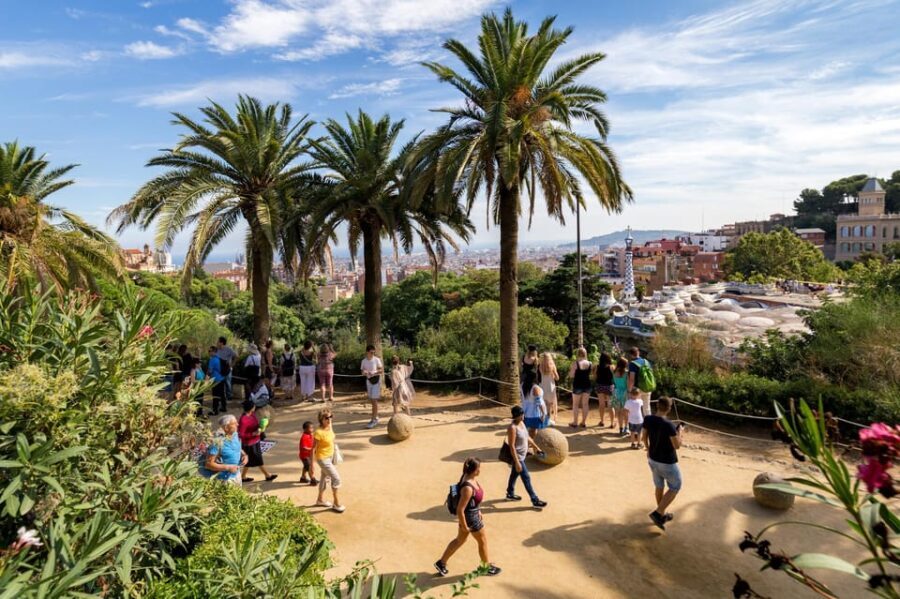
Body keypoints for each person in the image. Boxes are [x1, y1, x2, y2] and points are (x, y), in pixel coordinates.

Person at [434, 458, 501, 578]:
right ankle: (485, 567)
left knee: (460, 540)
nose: (480, 470)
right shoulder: (468, 488)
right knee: (482, 541)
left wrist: (478, 509)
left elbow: (473, 501)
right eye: (478, 468)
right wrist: (465, 526)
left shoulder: (467, 477)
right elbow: (460, 509)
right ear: (474, 470)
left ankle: (441, 563)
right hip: (471, 518)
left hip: (472, 515)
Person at [641, 396, 684, 530]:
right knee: (675, 486)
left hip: (652, 459)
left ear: (657, 406)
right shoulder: (669, 425)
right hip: (667, 461)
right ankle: (658, 513)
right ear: (669, 408)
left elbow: (644, 436)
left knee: (659, 485)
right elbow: (677, 446)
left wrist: (648, 448)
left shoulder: (648, 419)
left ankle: (661, 513)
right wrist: (680, 433)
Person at [506, 406, 548, 508]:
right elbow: (511, 446)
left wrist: (536, 448)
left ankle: (510, 493)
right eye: (520, 415)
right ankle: (535, 500)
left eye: (523, 414)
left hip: (522, 456)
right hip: (518, 457)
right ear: (515, 416)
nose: (523, 417)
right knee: (526, 478)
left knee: (514, 475)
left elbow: (527, 437)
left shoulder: (522, 423)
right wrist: (517, 462)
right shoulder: (512, 428)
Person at [200, 414, 247, 486]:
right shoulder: (217, 442)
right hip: (224, 479)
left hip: (237, 474)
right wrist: (228, 467)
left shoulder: (235, 434)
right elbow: (208, 464)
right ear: (226, 427)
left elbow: (236, 447)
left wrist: (244, 455)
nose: (238, 424)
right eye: (234, 423)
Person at [313, 409, 345, 512]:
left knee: (323, 478)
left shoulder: (329, 426)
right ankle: (336, 503)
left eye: (331, 417)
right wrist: (310, 465)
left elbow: (331, 439)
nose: (329, 419)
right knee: (336, 479)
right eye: (326, 418)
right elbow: (312, 448)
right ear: (321, 419)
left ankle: (320, 500)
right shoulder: (318, 432)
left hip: (330, 456)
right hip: (323, 459)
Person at [238, 400, 277, 483]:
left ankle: (243, 476)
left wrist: (261, 427)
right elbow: (241, 434)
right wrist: (253, 434)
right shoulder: (243, 420)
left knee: (249, 461)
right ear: (252, 408)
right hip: (249, 444)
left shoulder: (252, 415)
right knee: (258, 459)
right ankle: (267, 475)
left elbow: (256, 425)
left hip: (255, 441)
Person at [567, 347, 592, 428]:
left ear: (578, 353)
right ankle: (583, 422)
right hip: (587, 384)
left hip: (578, 384)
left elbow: (571, 375)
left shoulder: (575, 363)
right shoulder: (590, 363)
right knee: (585, 404)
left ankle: (575, 422)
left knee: (575, 405)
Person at [361, 345, 383, 429]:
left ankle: (373, 420)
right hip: (369, 381)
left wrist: (375, 372)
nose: (373, 354)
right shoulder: (363, 361)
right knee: (372, 400)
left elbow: (381, 370)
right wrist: (365, 372)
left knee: (374, 400)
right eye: (371, 352)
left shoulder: (376, 360)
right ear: (367, 352)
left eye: (374, 352)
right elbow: (362, 371)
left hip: (376, 381)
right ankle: (376, 416)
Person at [627, 347, 653, 417]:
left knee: (636, 408)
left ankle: (637, 425)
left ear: (631, 355)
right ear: (638, 353)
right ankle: (649, 425)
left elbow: (632, 379)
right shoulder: (646, 361)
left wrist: (629, 391)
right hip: (647, 387)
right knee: (647, 408)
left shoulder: (632, 364)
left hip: (638, 389)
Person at [538, 353, 559, 426]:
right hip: (550, 387)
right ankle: (548, 420)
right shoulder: (552, 365)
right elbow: (557, 378)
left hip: (543, 386)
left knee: (543, 404)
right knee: (550, 405)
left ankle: (543, 419)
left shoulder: (540, 365)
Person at [595, 352, 615, 428]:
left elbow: (595, 376)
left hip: (600, 385)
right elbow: (615, 376)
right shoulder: (611, 367)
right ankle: (612, 423)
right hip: (609, 386)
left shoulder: (597, 366)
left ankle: (602, 421)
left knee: (601, 404)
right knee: (610, 405)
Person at [612, 357, 630, 436]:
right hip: (624, 393)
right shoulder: (626, 373)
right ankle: (626, 428)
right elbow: (628, 385)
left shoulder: (614, 372)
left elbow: (614, 383)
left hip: (616, 392)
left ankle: (620, 428)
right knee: (625, 412)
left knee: (619, 412)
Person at [216, 337, 236, 403]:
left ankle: (229, 397)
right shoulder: (217, 350)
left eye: (218, 341)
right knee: (219, 383)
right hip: (219, 370)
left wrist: (232, 365)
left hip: (227, 369)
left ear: (221, 343)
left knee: (228, 383)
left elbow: (235, 356)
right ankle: (220, 397)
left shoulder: (228, 349)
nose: (217, 342)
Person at [207, 346, 227, 415]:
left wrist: (207, 378)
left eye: (210, 351)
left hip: (215, 379)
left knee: (215, 395)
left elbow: (210, 370)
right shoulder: (220, 358)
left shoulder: (212, 360)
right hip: (222, 378)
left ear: (213, 352)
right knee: (222, 394)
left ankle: (215, 410)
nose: (208, 352)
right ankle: (224, 407)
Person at [298, 421, 318, 485]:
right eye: (310, 428)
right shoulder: (304, 437)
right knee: (309, 467)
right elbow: (304, 447)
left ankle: (303, 477)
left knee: (306, 466)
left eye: (312, 428)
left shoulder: (310, 435)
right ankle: (312, 479)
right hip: (304, 456)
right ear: (305, 429)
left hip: (308, 455)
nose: (312, 429)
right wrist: (311, 449)